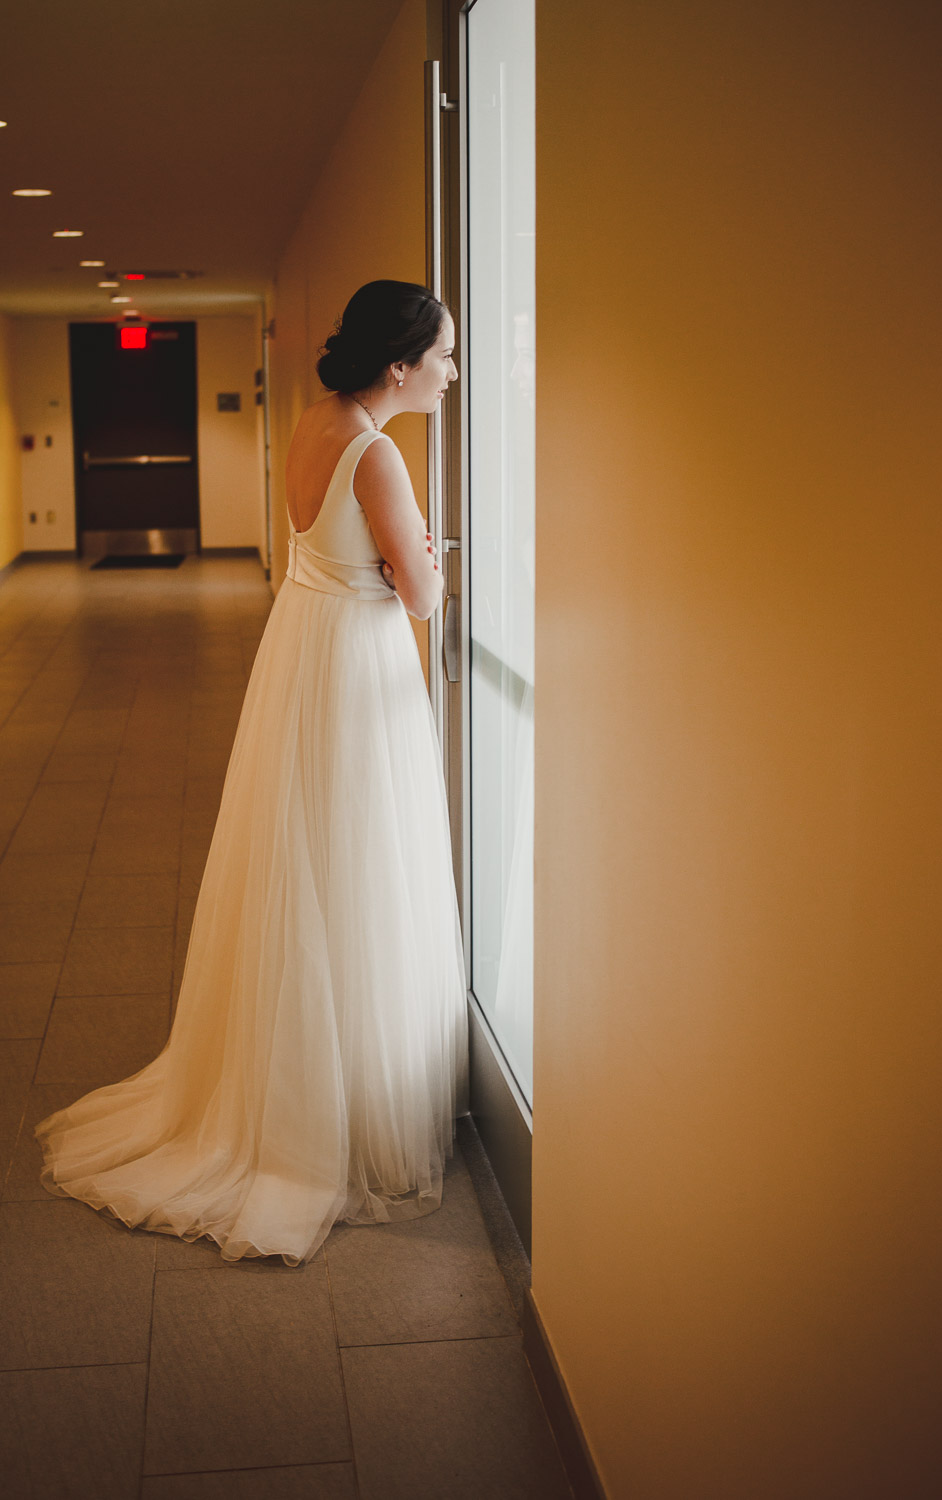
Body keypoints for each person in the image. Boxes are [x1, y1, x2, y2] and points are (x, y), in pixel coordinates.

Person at [35, 280, 469, 1266]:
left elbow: (345, 559)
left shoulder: (318, 422)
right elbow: (423, 598)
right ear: (400, 366)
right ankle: (344, 1101)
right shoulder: (380, 455)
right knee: (357, 863)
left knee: (308, 857)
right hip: (354, 667)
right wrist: (438, 556)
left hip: (304, 653)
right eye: (445, 357)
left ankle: (299, 1082)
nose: (452, 374)